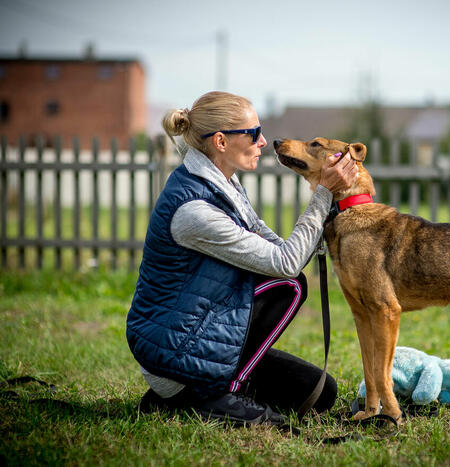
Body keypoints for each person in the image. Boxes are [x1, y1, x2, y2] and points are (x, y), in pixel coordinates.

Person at [126, 91, 358, 426]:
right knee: (289, 285)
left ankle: (197, 391)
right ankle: (202, 395)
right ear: (220, 141)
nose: (263, 141)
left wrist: (331, 202)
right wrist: (323, 193)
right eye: (253, 133)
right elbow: (286, 264)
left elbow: (278, 247)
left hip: (198, 334)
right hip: (175, 354)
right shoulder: (195, 211)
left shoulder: (224, 184)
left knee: (321, 393)